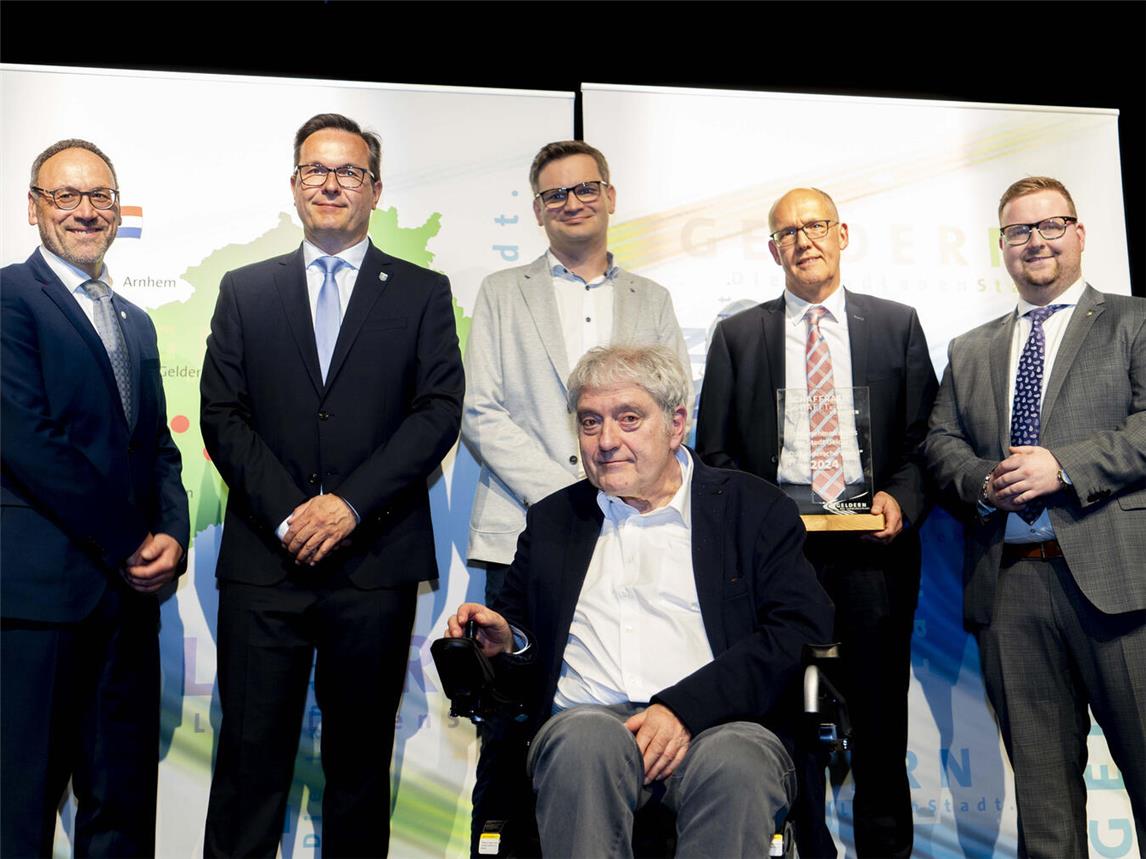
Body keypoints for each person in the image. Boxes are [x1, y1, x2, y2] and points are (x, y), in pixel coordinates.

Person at [448, 345, 834, 858]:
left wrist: (682, 710)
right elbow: (526, 659)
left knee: (736, 763)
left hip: (721, 727)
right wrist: (510, 642)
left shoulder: (753, 509)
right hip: (587, 727)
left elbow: (799, 631)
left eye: (629, 419)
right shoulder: (554, 522)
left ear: (676, 424)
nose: (607, 441)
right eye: (590, 422)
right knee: (584, 742)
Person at [200, 113, 464, 857]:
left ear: (374, 189)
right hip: (265, 563)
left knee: (357, 771)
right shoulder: (246, 290)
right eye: (315, 169)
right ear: (293, 186)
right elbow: (222, 414)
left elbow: (436, 412)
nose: (330, 182)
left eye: (348, 171)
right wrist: (292, 512)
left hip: (374, 563)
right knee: (249, 766)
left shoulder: (420, 292)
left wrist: (349, 505)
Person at [695, 187, 938, 858]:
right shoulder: (738, 337)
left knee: (881, 737)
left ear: (843, 234)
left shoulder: (897, 325)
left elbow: (924, 442)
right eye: (788, 232)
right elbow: (713, 453)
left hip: (873, 558)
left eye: (816, 225)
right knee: (780, 730)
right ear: (772, 249)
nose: (803, 240)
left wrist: (901, 499)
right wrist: (759, 526)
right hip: (777, 562)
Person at [924, 176, 1144, 856]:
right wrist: (985, 481)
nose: (1036, 242)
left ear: (1080, 234)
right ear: (1002, 246)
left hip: (1120, 588)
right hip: (1011, 587)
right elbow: (939, 443)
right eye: (1019, 231)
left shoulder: (1133, 322)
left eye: (1051, 226)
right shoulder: (970, 348)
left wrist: (1065, 465)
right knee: (1045, 812)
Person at [1, 139, 189, 857]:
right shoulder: (9, 298)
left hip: (128, 609)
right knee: (18, 807)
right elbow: (28, 440)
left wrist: (171, 531)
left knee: (121, 805)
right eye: (65, 196)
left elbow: (157, 452)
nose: (86, 211)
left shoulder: (135, 321)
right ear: (33, 208)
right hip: (36, 605)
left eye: (100, 197)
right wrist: (130, 541)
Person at [463, 140, 690, 603]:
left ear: (610, 197)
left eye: (585, 189)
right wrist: (565, 493)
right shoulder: (501, 293)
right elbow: (479, 411)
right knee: (519, 669)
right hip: (521, 527)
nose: (572, 203)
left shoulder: (652, 298)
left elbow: (677, 406)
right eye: (556, 194)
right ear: (537, 209)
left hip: (639, 521)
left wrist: (620, 487)